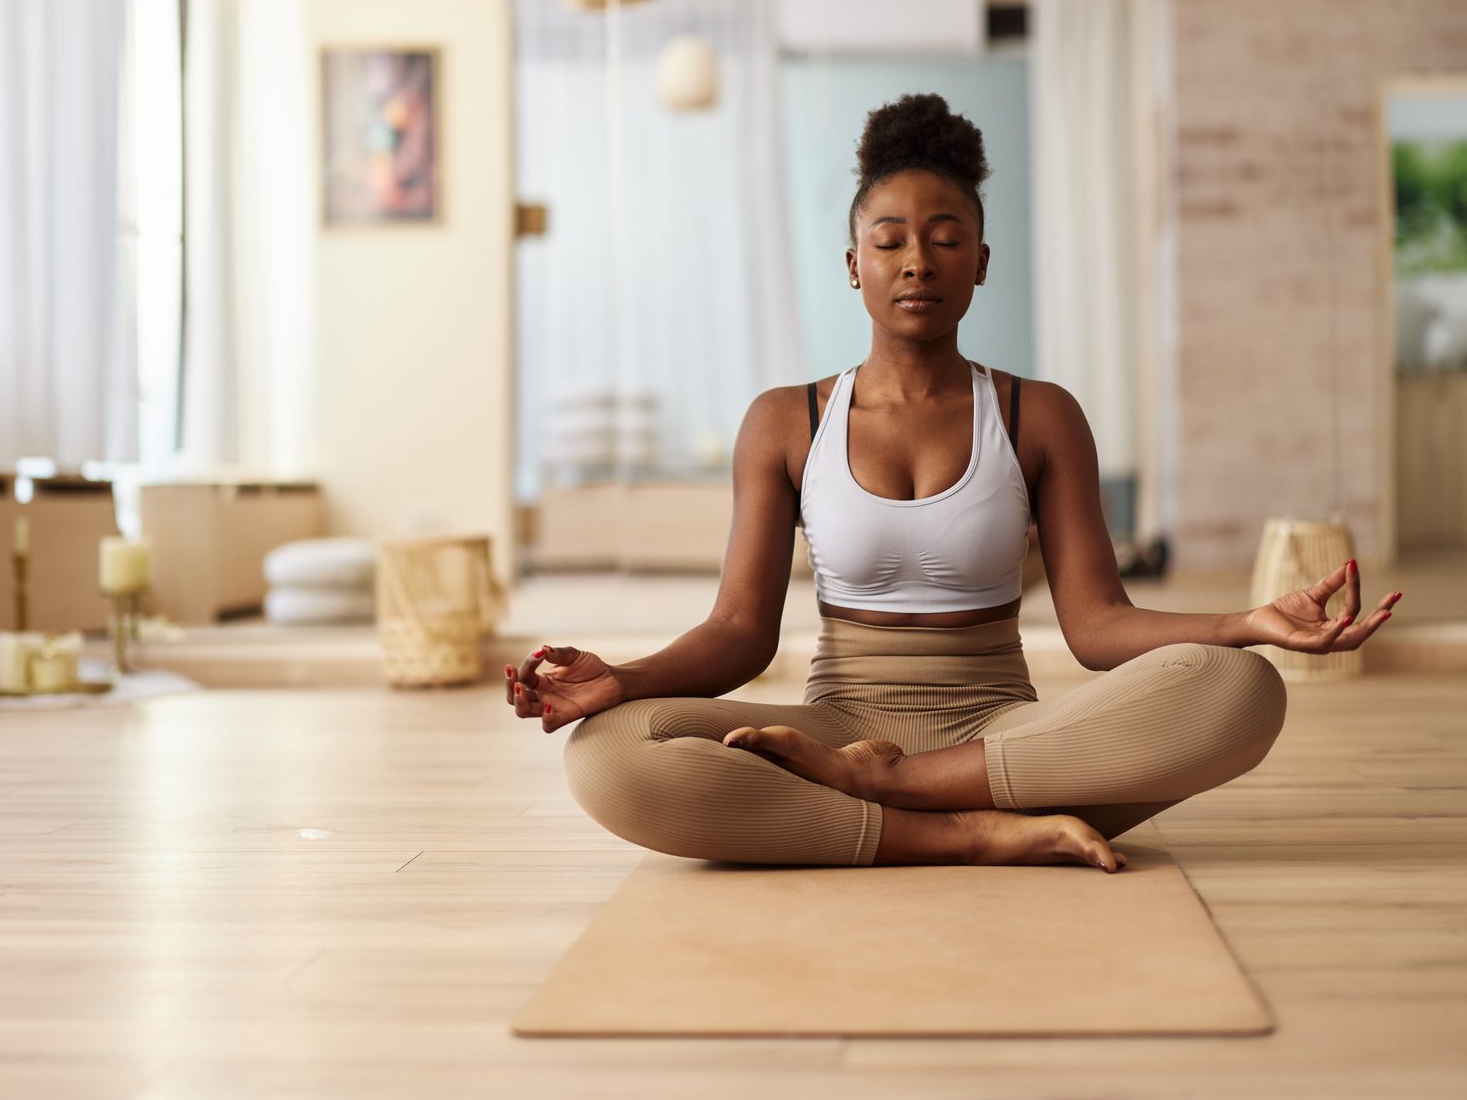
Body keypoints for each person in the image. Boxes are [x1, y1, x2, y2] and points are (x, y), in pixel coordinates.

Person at [503, 93, 1400, 870]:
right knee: (610, 755)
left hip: (1003, 738)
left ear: (980, 262)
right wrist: (621, 678)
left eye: (945, 240)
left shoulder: (1038, 415)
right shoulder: (785, 421)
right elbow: (740, 633)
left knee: (1242, 688)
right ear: (854, 264)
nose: (917, 262)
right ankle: (970, 834)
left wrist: (1245, 625)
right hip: (835, 730)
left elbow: (1097, 628)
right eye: (889, 242)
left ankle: (898, 797)